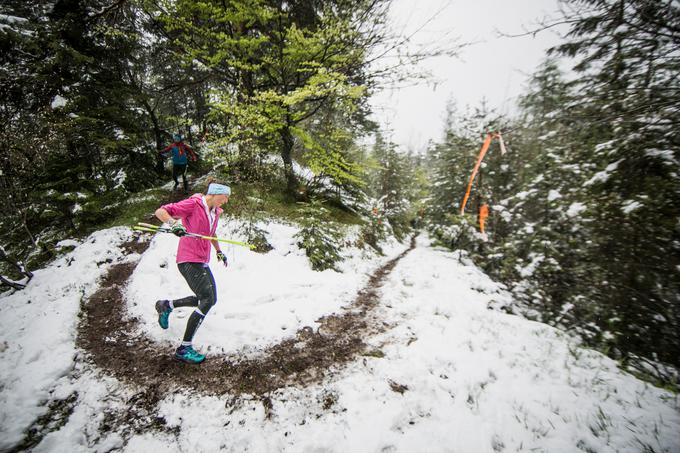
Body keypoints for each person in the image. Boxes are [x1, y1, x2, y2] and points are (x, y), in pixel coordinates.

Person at [153, 179, 231, 364]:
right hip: (188, 259)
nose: (226, 201)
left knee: (208, 298)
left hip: (202, 260)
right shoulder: (194, 204)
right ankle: (184, 348)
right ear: (214, 193)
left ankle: (166, 305)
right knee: (207, 299)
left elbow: (211, 233)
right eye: (225, 196)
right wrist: (174, 224)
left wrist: (219, 251)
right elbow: (161, 211)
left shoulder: (215, 212)